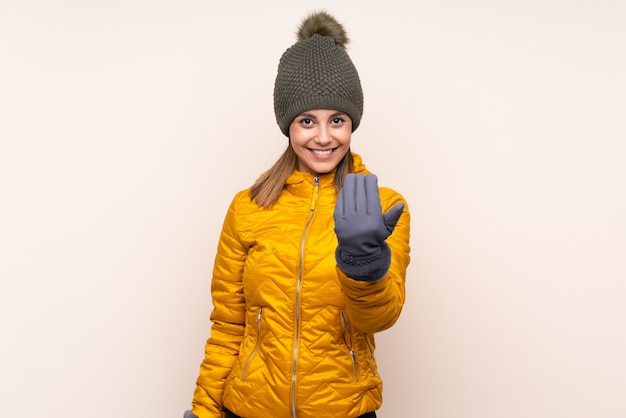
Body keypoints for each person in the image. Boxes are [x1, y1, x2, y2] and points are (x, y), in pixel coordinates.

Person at [184, 10, 411, 418]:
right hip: (248, 408)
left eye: (337, 120)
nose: (324, 137)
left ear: (352, 124)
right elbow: (228, 326)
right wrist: (202, 411)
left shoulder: (385, 205)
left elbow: (380, 318)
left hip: (344, 410)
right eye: (308, 121)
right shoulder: (247, 206)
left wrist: (364, 264)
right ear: (288, 125)